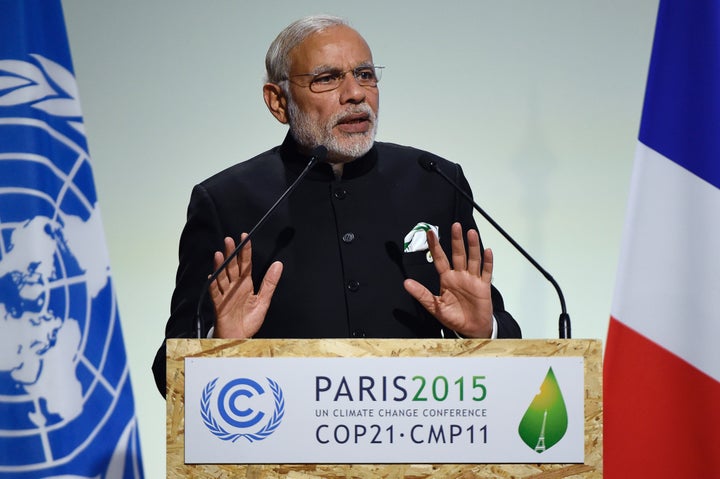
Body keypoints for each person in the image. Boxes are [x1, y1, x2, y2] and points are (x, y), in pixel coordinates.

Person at [152, 15, 521, 396]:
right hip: (286, 450)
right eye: (327, 78)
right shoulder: (226, 200)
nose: (355, 93)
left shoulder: (435, 180)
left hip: (420, 440)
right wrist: (218, 345)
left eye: (365, 74)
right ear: (277, 102)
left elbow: (502, 333)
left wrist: (482, 331)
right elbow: (168, 371)